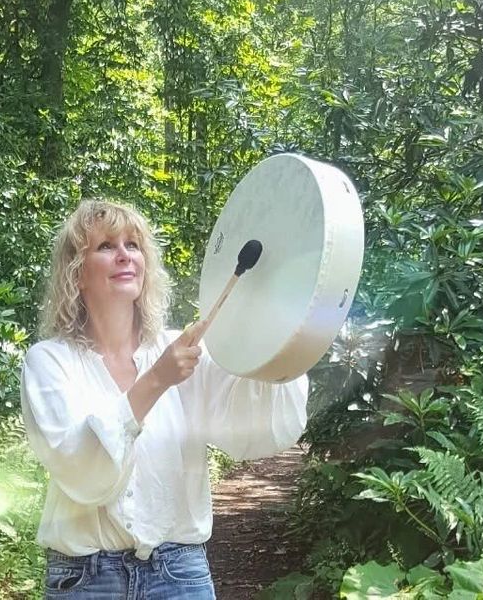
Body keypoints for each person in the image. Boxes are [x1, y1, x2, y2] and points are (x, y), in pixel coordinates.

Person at [20, 198, 309, 598]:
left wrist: (276, 325)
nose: (124, 255)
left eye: (133, 245)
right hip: (86, 580)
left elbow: (251, 422)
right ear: (77, 273)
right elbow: (80, 470)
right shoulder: (49, 362)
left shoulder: (183, 349)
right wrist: (157, 380)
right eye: (106, 246)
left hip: (178, 574)